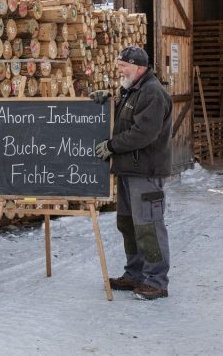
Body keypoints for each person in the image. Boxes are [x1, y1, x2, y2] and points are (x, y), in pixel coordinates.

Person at [90, 45, 172, 300]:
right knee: (127, 223)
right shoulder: (132, 91)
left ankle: (156, 280)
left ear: (138, 67)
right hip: (128, 170)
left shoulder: (153, 93)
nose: (119, 70)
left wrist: (112, 146)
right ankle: (135, 273)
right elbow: (126, 117)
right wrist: (108, 101)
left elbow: (143, 133)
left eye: (123, 66)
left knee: (148, 225)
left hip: (145, 171)